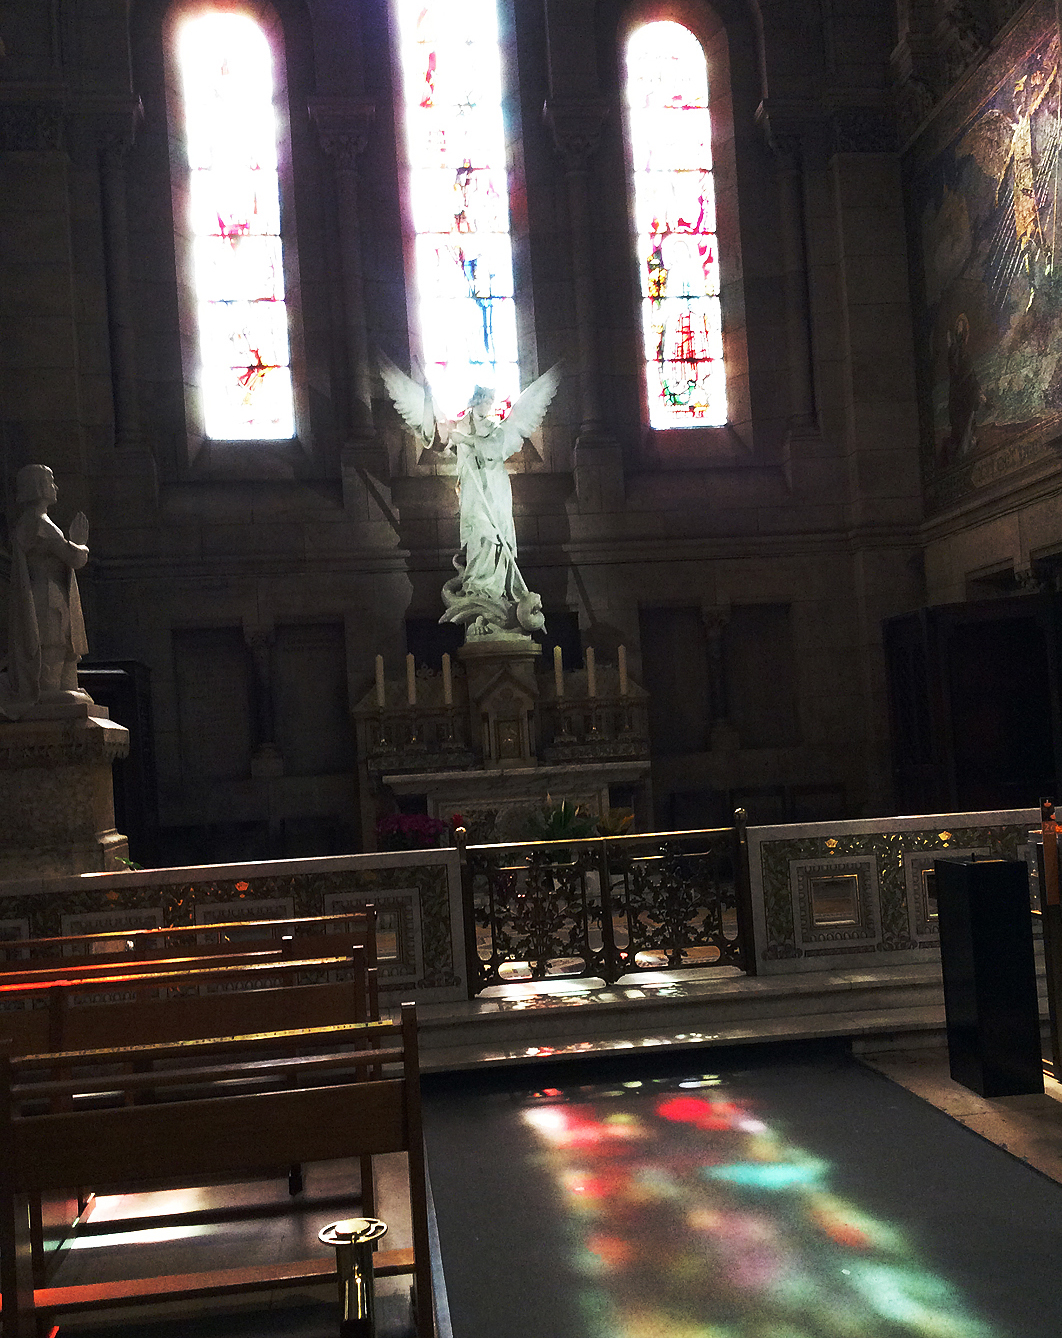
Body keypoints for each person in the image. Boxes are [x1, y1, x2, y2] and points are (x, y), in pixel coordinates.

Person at [0, 464, 90, 715]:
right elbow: (73, 557)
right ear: (38, 486)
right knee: (50, 676)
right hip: (46, 602)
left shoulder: (34, 522)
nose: (56, 487)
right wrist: (80, 543)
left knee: (66, 679)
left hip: (52, 598)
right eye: (51, 482)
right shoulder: (39, 524)